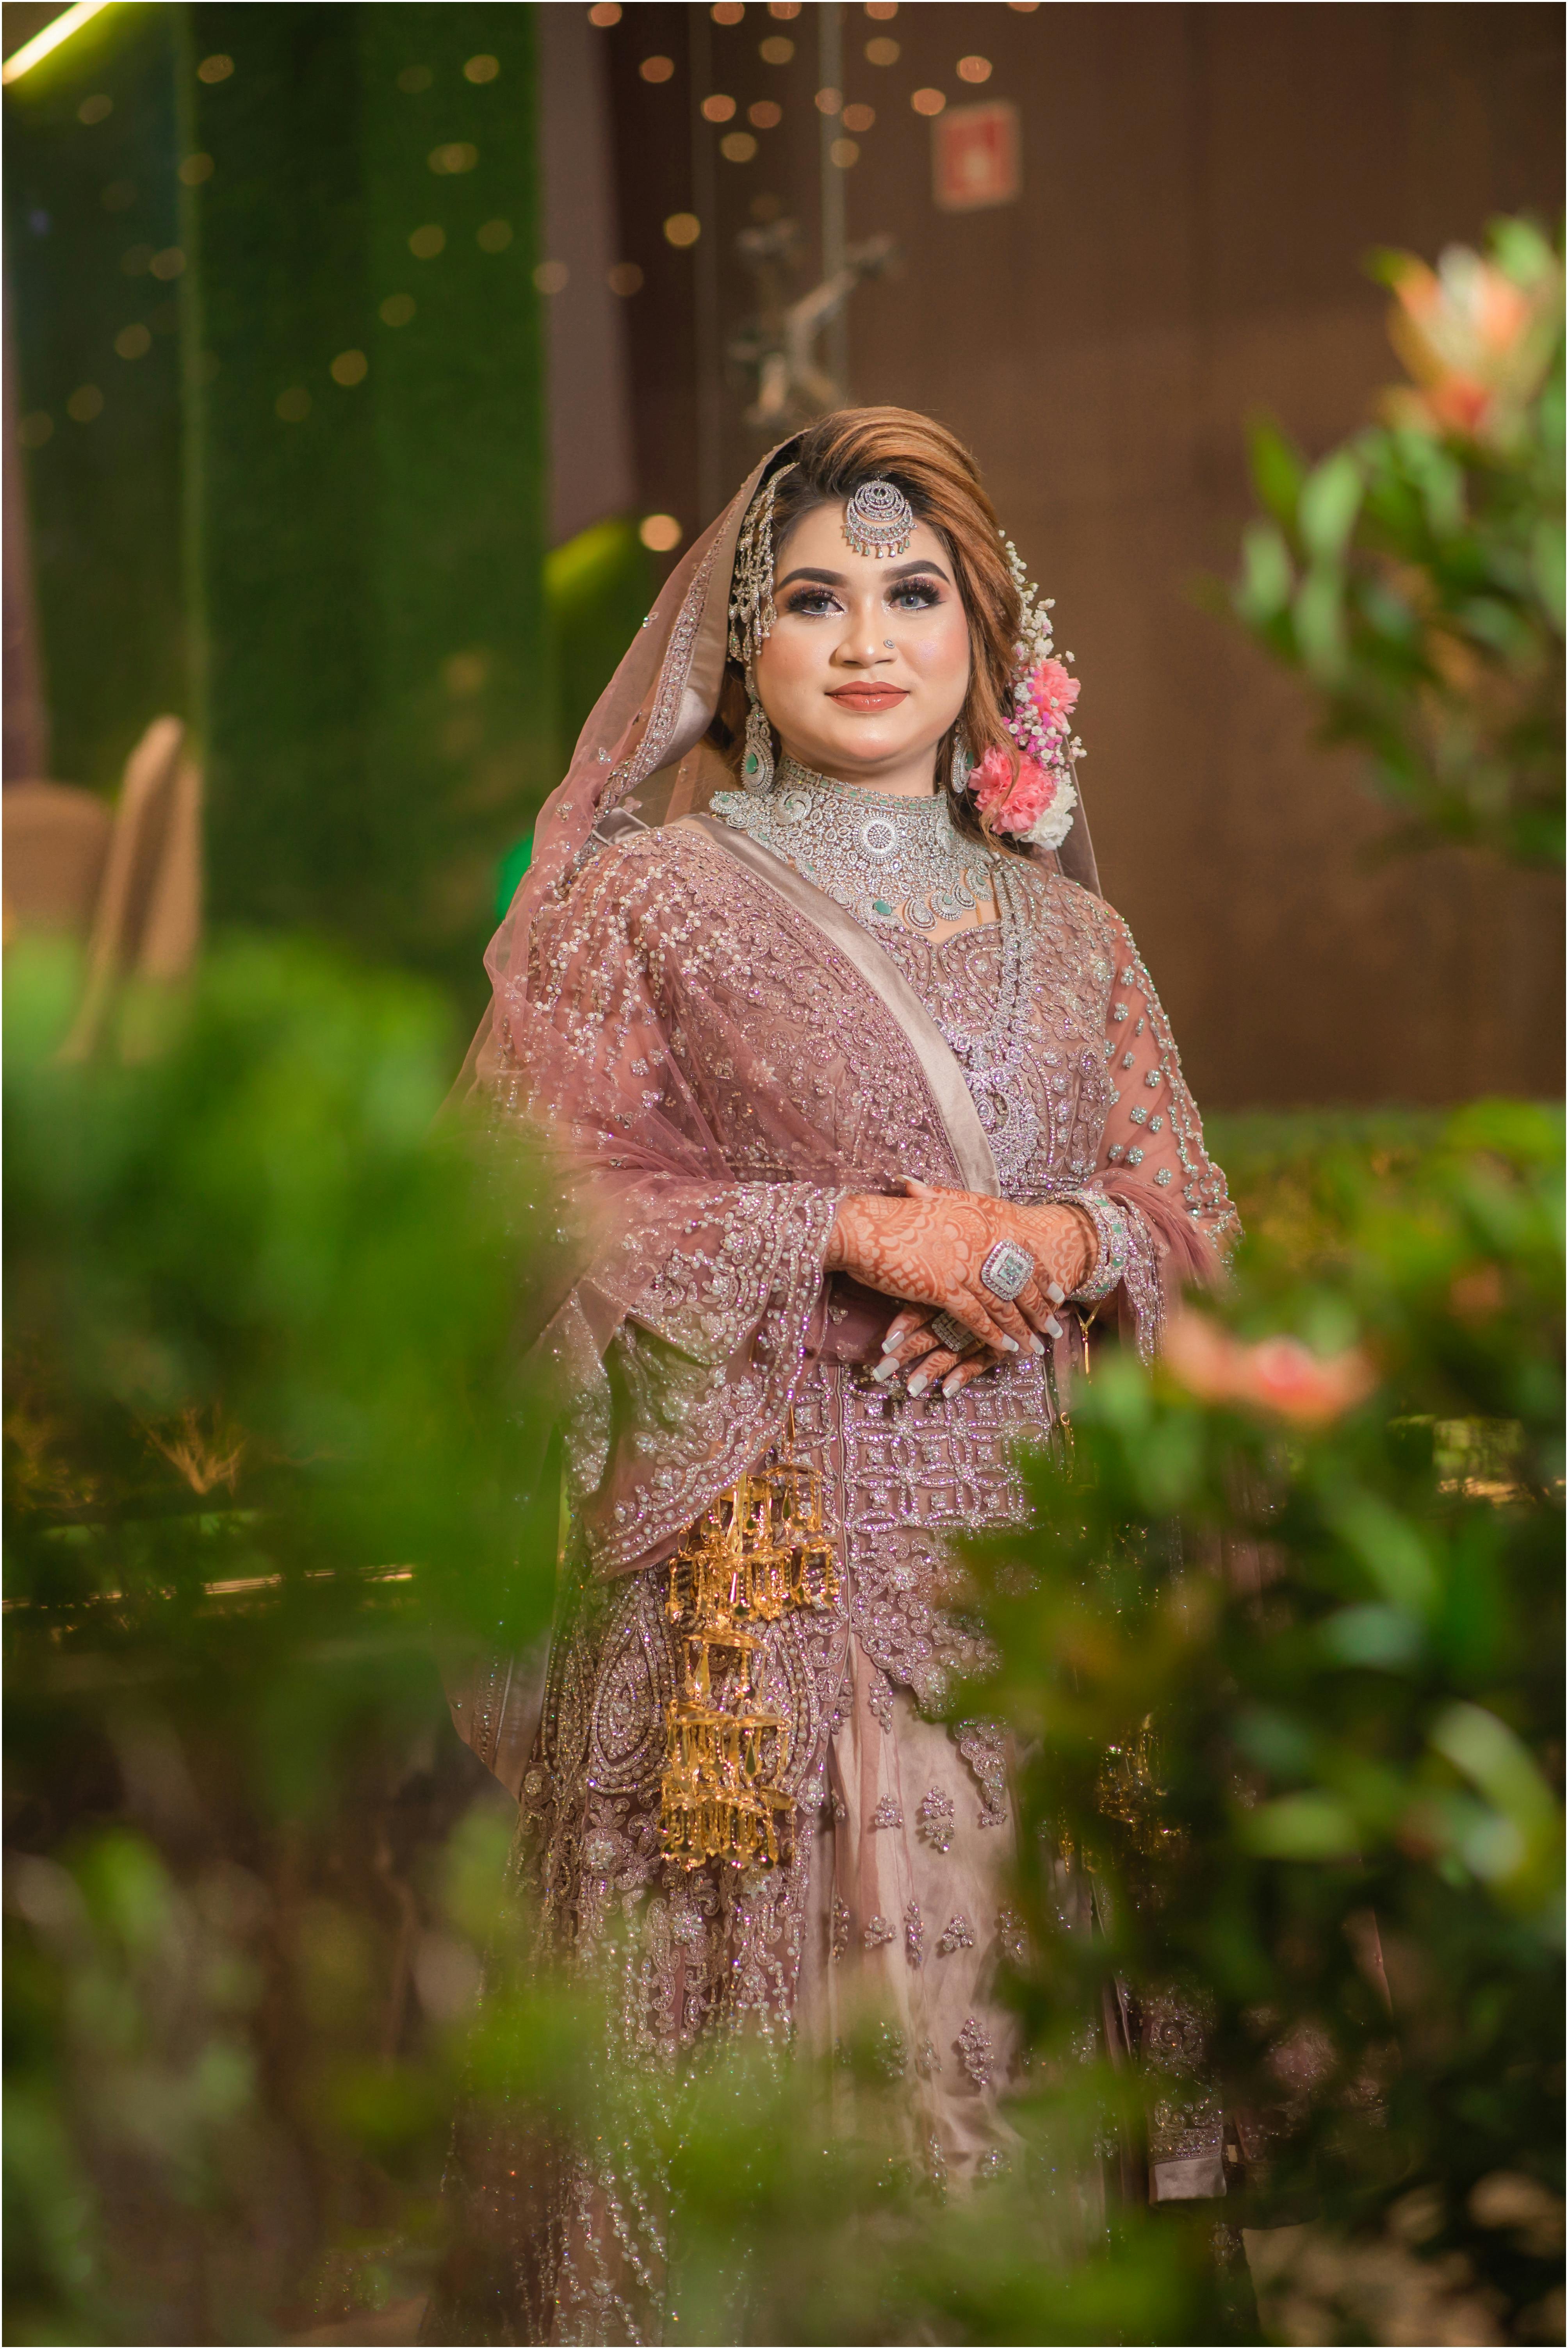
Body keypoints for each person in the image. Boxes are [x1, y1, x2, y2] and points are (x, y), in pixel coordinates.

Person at [431, 408, 1238, 2343]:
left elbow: (1183, 1201)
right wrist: (846, 1231)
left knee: (1028, 2079)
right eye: (811, 597)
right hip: (754, 1586)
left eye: (911, 590)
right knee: (772, 2097)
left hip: (1042, 1605)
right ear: (740, 654)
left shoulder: (1077, 937)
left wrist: (1063, 1242)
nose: (866, 635)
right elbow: (518, 1205)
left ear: (983, 635)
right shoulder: (647, 902)